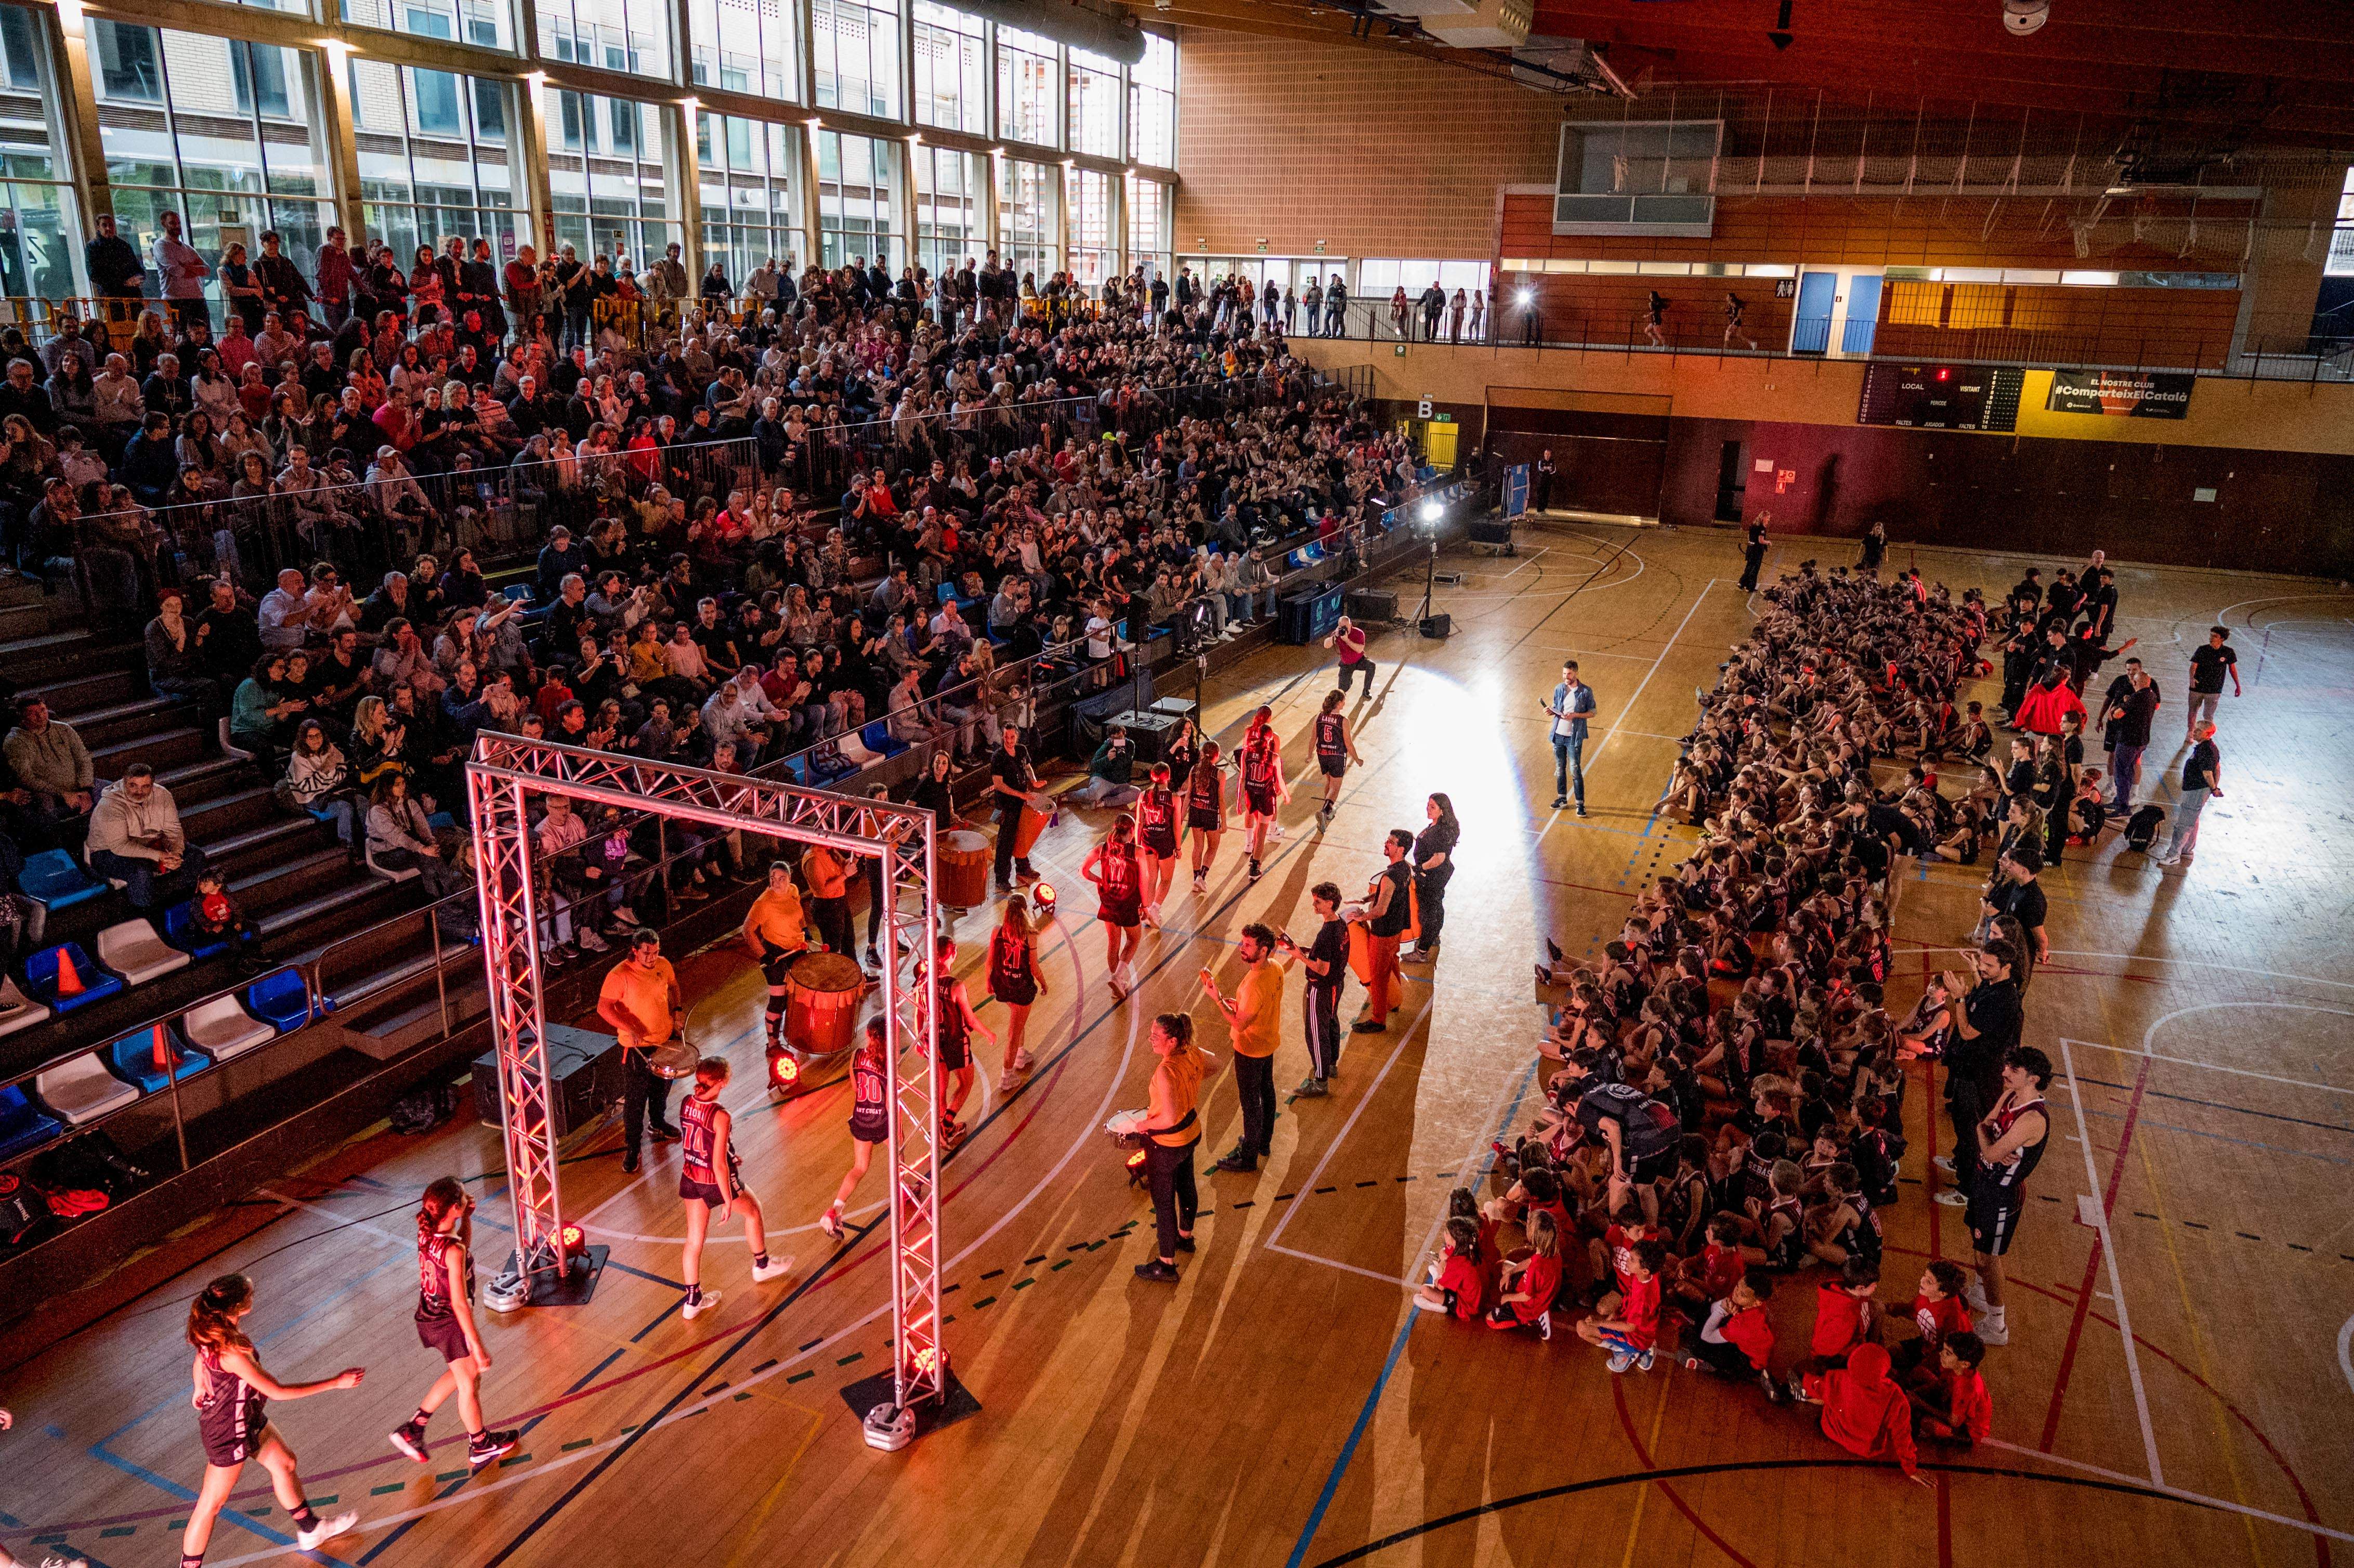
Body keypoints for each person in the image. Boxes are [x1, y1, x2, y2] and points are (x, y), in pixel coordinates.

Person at [179, 1274, 363, 1566]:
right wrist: (335, 1383)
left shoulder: (213, 1328)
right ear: (238, 1306)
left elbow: (200, 1359)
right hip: (228, 1431)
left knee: (285, 1463)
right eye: (249, 1294)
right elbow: (277, 1392)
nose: (253, 1296)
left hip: (246, 1417)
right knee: (210, 1505)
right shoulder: (231, 1352)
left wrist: (199, 1386)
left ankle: (311, 1530)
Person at [387, 1178, 520, 1469]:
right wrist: (477, 1345)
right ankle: (480, 1444)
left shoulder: (428, 1233)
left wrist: (467, 1219)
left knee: (464, 1374)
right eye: (462, 1197)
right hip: (448, 1322)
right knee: (469, 1381)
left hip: (429, 1317)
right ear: (454, 1208)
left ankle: (414, 1428)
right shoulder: (453, 1250)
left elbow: (460, 1252)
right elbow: (460, 1304)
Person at [675, 1055, 793, 1319]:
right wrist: (727, 1200)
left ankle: (693, 1301)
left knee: (694, 1240)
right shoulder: (720, 1115)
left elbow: (699, 1142)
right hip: (713, 1180)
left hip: (690, 1176)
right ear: (723, 1082)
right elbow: (718, 1165)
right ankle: (762, 1265)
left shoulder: (685, 1102)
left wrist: (731, 1157)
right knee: (753, 1211)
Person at [1960, 1044, 2050, 1348]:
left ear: (2033, 1079)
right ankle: (1980, 1293)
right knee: (1979, 1247)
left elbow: (1989, 1148)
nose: (2004, 1073)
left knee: (1990, 1257)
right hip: (1984, 1182)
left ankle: (1997, 1326)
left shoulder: (2032, 1119)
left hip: (2002, 1194)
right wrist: (1987, 1137)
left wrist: (1988, 1140)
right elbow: (1984, 1126)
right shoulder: (2011, 1096)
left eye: (2014, 1070)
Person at [1931, 940, 2022, 1207]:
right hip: (1969, 1068)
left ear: (2006, 967)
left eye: (1988, 965)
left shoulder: (2004, 1001)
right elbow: (1982, 991)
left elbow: (1968, 1031)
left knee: (1973, 1131)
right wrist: (1975, 971)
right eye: (1982, 962)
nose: (1983, 968)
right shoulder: (1993, 985)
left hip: (1981, 1075)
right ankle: (1960, 1161)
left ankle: (1967, 1189)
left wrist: (1960, 998)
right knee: (1962, 1122)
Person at [1201, 922, 1290, 1173]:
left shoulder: (1254, 984)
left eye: (1248, 945)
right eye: (1243, 942)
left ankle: (1249, 1157)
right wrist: (1240, 1005)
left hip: (1250, 1049)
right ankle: (1263, 1142)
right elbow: (1260, 1005)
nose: (1242, 948)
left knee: (1251, 1104)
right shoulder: (1275, 968)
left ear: (1263, 950)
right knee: (1267, 1093)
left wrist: (1218, 999)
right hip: (1268, 1042)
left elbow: (1240, 1024)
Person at [597, 927, 686, 1175]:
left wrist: (677, 1010)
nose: (652, 957)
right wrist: (629, 1027)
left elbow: (673, 986)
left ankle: (657, 1123)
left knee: (662, 1089)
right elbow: (604, 1008)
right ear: (634, 951)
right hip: (637, 1049)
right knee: (635, 1100)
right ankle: (633, 1147)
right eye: (647, 953)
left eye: (656, 952)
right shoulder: (619, 975)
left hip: (664, 1041)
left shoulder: (663, 965)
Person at [1133, 1012, 1211, 1282]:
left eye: (1156, 1036)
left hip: (1166, 1145)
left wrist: (1142, 1125)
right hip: (1190, 1134)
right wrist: (1192, 1079)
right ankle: (1185, 1237)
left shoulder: (1165, 1072)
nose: (1151, 1040)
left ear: (1172, 1041)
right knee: (1187, 1185)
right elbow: (1215, 1063)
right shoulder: (1192, 1053)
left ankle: (1166, 1264)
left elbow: (1168, 1119)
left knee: (1164, 1203)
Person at [87, 762, 206, 909]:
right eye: (133, 786)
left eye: (145, 786)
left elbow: (173, 830)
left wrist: (176, 853)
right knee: (140, 871)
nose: (139, 791)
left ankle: (187, 905)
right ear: (124, 782)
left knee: (195, 855)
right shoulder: (110, 805)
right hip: (107, 852)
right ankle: (144, 911)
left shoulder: (163, 795)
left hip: (149, 843)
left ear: (152, 785)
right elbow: (120, 846)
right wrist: (159, 856)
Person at [818, 1018, 892, 1240]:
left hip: (861, 1117)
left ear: (868, 1034)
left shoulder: (856, 1056)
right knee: (898, 1153)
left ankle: (834, 1212)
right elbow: (890, 1100)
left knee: (859, 1168)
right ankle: (904, 1188)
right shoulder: (889, 1060)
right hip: (881, 1119)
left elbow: (856, 1088)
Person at [926, 934, 993, 1144]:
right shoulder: (956, 986)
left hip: (934, 1041)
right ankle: (946, 1125)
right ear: (953, 954)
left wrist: (923, 1040)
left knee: (941, 1087)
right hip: (955, 1042)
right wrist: (988, 1034)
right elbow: (970, 1019)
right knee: (966, 1083)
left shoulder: (925, 981)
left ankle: (940, 1127)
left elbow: (920, 1013)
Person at [743, 859, 812, 1051]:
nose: (776, 883)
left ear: (789, 878)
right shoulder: (764, 903)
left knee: (799, 995)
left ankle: (797, 1033)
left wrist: (805, 929)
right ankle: (773, 1043)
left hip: (796, 949)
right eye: (773, 879)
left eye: (781, 879)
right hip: (774, 952)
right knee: (778, 1000)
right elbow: (747, 931)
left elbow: (798, 913)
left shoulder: (793, 890)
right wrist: (764, 955)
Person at [1289, 882, 1349, 1097]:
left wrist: (1300, 957)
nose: (1314, 906)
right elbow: (1333, 955)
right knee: (1331, 1021)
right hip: (1336, 985)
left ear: (1330, 903)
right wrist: (1309, 951)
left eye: (1318, 902)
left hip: (1321, 988)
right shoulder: (1341, 924)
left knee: (1316, 1033)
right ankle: (1331, 1064)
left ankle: (1320, 1082)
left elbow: (1323, 969)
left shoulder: (1326, 934)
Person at [1351, 828, 1413, 1034]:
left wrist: (1361, 917)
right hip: (1396, 930)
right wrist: (1367, 899)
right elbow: (1388, 894)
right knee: (1393, 963)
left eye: (1392, 842)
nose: (1387, 844)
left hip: (1384, 932)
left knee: (1378, 976)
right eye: (1388, 840)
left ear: (1401, 849)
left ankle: (1378, 1020)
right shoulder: (1405, 869)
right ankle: (1395, 1000)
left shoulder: (1389, 877)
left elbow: (1381, 910)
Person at [1575, 1236, 1664, 1372]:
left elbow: (1630, 1327)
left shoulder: (1643, 1298)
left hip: (1634, 1339)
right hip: (1643, 1332)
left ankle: (1626, 1351)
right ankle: (1642, 1347)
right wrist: (1615, 1313)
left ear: (1645, 1270)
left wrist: (1600, 1323)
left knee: (1582, 1328)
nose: (1627, 1260)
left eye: (1632, 1260)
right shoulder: (1650, 1276)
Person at [1084, 812, 1146, 998]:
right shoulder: (1137, 852)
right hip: (1128, 904)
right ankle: (1117, 976)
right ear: (1132, 831)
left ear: (1114, 828)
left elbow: (1083, 870)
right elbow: (1143, 881)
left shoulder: (1101, 849)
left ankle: (1117, 985)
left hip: (1109, 903)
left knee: (1113, 944)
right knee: (1133, 940)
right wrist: (1145, 905)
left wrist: (1099, 880)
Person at [986, 893, 1045, 1090]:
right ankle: (1006, 1076)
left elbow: (989, 962)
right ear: (1025, 911)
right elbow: (1034, 968)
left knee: (1018, 1021)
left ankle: (1020, 1055)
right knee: (1014, 1033)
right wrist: (1044, 984)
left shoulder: (997, 931)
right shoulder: (1030, 935)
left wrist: (988, 982)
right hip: (1021, 989)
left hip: (1002, 985)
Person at [1485, 1209, 1562, 1339]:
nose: (1527, 1225)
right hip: (1540, 1292)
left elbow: (1527, 1296)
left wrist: (1507, 1298)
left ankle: (1531, 1318)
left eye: (1529, 1224)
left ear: (1535, 1236)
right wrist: (1511, 1272)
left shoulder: (1537, 1268)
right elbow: (1531, 1261)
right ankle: (1541, 1309)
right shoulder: (1551, 1253)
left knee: (1490, 1320)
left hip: (1528, 1306)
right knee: (1503, 1266)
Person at [988, 722, 1048, 888]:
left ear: (1017, 737)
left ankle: (1023, 868)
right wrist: (1021, 795)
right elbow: (999, 785)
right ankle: (1001, 879)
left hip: (1023, 802)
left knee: (1023, 836)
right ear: (1003, 737)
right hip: (1007, 806)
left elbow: (1028, 767)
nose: (1009, 740)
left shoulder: (1022, 750)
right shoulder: (998, 757)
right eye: (1006, 737)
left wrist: (1033, 781)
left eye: (1012, 737)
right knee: (1005, 843)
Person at [2154, 721, 2221, 866]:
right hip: (2195, 791)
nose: (2195, 732)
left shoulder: (2206, 751)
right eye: (2195, 729)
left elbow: (2209, 772)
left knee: (2184, 824)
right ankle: (2187, 850)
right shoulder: (2205, 748)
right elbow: (2217, 767)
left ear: (2207, 734)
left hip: (2196, 792)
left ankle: (2174, 855)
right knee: (2192, 820)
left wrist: (2214, 788)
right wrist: (2214, 788)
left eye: (2199, 731)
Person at [1402, 792, 1459, 963]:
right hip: (1432, 876)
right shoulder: (1436, 826)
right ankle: (1433, 937)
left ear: (1442, 810)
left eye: (1433, 807)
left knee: (1429, 912)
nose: (1428, 809)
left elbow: (1439, 858)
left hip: (1431, 877)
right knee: (1434, 907)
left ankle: (1422, 951)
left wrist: (1421, 868)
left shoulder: (1439, 832)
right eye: (1428, 805)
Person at [1236, 705, 1288, 883]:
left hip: (1251, 784)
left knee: (1250, 812)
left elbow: (1244, 754)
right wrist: (1282, 788)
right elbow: (1276, 759)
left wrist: (1239, 797)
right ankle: (1271, 835)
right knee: (1263, 829)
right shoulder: (1275, 739)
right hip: (1265, 785)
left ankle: (1248, 842)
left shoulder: (1248, 733)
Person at [1542, 659, 1599, 815]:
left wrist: (1575, 715)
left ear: (1576, 673)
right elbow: (1556, 707)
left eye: (1569, 674)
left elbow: (1593, 712)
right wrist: (1551, 711)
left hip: (1574, 737)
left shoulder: (1585, 692)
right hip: (1558, 735)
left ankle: (1580, 804)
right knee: (1560, 769)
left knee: (1575, 770)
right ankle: (1562, 798)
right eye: (1564, 673)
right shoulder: (1559, 688)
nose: (1566, 677)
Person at [2101, 664, 2160, 813]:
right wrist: (2128, 702)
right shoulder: (2152, 695)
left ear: (2135, 682)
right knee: (2128, 771)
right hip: (2141, 740)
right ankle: (2121, 801)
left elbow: (2117, 714)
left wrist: (2119, 707)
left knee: (2121, 772)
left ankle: (2122, 807)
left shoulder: (2138, 697)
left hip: (2128, 740)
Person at [1133, 761, 1181, 921]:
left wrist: (1137, 846)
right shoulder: (1174, 798)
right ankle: (1154, 909)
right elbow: (1176, 826)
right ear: (1168, 777)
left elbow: (1139, 822)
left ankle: (1148, 911)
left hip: (1147, 841)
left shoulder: (1143, 795)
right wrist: (1178, 847)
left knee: (1151, 879)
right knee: (1166, 880)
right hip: (1165, 843)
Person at [1310, 688, 1361, 828]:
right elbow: (1348, 743)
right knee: (1336, 787)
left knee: (1329, 781)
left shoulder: (1319, 716)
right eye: (1344, 701)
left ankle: (1328, 808)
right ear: (1338, 704)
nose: (1345, 704)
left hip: (1322, 754)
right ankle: (1325, 811)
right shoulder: (1343, 721)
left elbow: (1313, 737)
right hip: (1337, 756)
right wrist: (1357, 759)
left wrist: (1309, 755)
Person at [1184, 737, 1229, 893]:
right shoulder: (1220, 774)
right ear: (1216, 755)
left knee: (1198, 847)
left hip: (1195, 812)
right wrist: (1224, 822)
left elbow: (1188, 795)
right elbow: (1221, 800)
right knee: (1213, 847)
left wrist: (1182, 815)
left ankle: (1196, 880)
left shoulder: (1194, 770)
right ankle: (1201, 877)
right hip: (1211, 814)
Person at [2185, 625, 2239, 740]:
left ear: (2222, 639)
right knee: (2193, 711)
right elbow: (2193, 666)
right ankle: (2191, 732)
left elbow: (2233, 670)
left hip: (2214, 690)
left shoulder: (2228, 652)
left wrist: (2238, 686)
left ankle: (2206, 736)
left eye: (2215, 636)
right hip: (2197, 688)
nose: (2211, 638)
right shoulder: (2202, 650)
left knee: (2208, 715)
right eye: (2211, 635)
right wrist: (2192, 681)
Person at [1324, 613, 1372, 697]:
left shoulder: (1359, 633)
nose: (1344, 629)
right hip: (1346, 663)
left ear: (1351, 624)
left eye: (1346, 627)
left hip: (1360, 660)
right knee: (1342, 691)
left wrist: (1347, 640)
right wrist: (1334, 637)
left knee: (1371, 666)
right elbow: (1326, 646)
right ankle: (1349, 681)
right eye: (1342, 627)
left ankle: (1366, 690)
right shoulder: (1338, 634)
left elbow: (1359, 650)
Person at [1737, 514, 1768, 593]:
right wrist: (1768, 542)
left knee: (1749, 566)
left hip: (1750, 548)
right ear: (1763, 518)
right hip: (1757, 551)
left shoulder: (1753, 525)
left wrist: (1752, 542)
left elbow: (1749, 536)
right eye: (1767, 518)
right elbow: (1761, 540)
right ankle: (1749, 586)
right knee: (1755, 569)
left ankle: (1742, 583)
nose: (1768, 520)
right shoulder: (1762, 528)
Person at [1532, 448, 1555, 514]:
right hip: (1541, 482)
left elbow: (1554, 471)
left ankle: (1543, 509)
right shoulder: (1541, 462)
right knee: (1540, 496)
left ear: (1550, 455)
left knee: (1546, 496)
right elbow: (1540, 469)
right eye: (1546, 454)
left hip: (1548, 482)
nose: (1547, 455)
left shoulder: (1552, 462)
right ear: (1544, 455)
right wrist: (1547, 469)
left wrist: (1548, 470)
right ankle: (1539, 511)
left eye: (1548, 454)